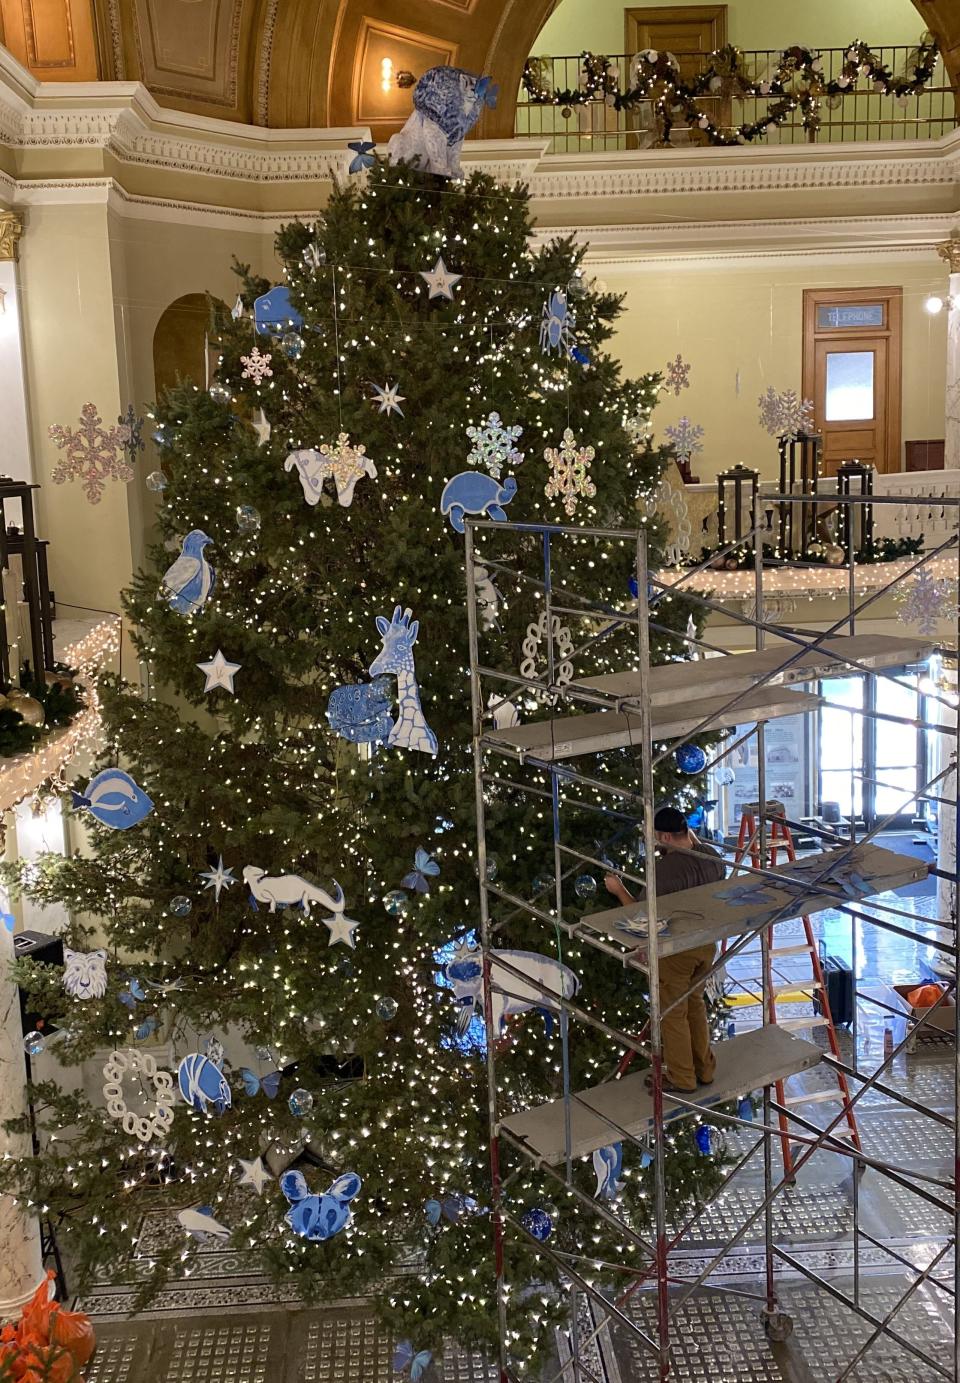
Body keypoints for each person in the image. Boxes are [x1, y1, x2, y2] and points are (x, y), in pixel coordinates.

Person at [604, 805, 726, 1093]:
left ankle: (682, 1077)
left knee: (672, 1013)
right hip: (706, 943)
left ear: (664, 836)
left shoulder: (662, 872)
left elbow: (642, 919)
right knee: (695, 1004)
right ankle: (705, 1069)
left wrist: (618, 889)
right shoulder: (712, 856)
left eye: (656, 838)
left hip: (676, 949)